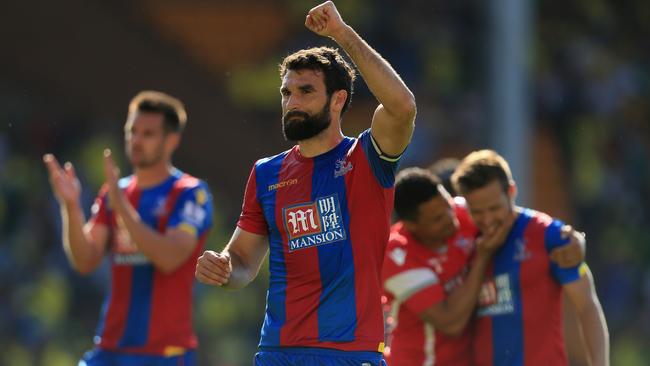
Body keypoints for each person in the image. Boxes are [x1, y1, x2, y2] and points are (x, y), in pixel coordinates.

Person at [195, 1, 416, 365]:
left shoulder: (366, 158)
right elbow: (243, 260)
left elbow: (403, 107)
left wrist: (341, 34)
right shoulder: (266, 173)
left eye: (305, 91)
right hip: (278, 352)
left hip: (349, 352)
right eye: (286, 92)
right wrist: (223, 267)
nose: (291, 102)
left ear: (337, 100)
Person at [44, 90, 213, 366]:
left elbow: (169, 258)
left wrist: (122, 208)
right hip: (109, 349)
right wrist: (71, 207)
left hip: (163, 354)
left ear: (171, 141)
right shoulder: (115, 192)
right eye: (131, 131)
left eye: (148, 134)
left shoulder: (190, 193)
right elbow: (85, 260)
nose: (136, 140)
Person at [381, 167, 585, 366]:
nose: (450, 219)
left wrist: (566, 237)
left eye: (447, 206)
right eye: (437, 219)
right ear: (412, 225)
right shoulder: (396, 255)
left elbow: (510, 216)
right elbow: (451, 324)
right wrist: (482, 257)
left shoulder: (464, 211)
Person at [451, 149, 609, 366]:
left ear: (512, 192)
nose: (487, 219)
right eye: (477, 211)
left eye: (494, 208)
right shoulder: (457, 237)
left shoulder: (549, 236)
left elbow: (587, 305)